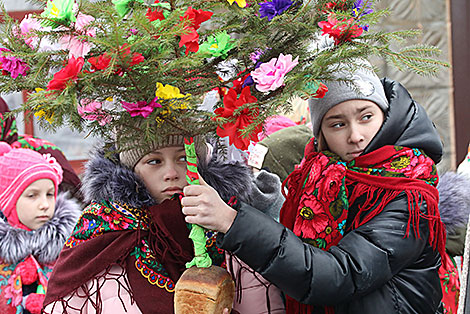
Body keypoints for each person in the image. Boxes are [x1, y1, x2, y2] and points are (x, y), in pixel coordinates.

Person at [182, 62, 449, 313]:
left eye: (366, 117)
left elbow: (339, 275)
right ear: (321, 134)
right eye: (338, 124)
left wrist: (233, 222)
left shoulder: (408, 194)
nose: (355, 136)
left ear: (385, 114)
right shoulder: (316, 174)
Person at [42, 130, 284, 313]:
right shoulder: (105, 227)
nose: (171, 173)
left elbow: (261, 302)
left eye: (182, 158)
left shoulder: (226, 222)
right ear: (132, 170)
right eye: (154, 161)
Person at [0, 142, 82, 314]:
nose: (45, 205)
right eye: (32, 195)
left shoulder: (69, 248)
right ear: (7, 201)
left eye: (50, 194)